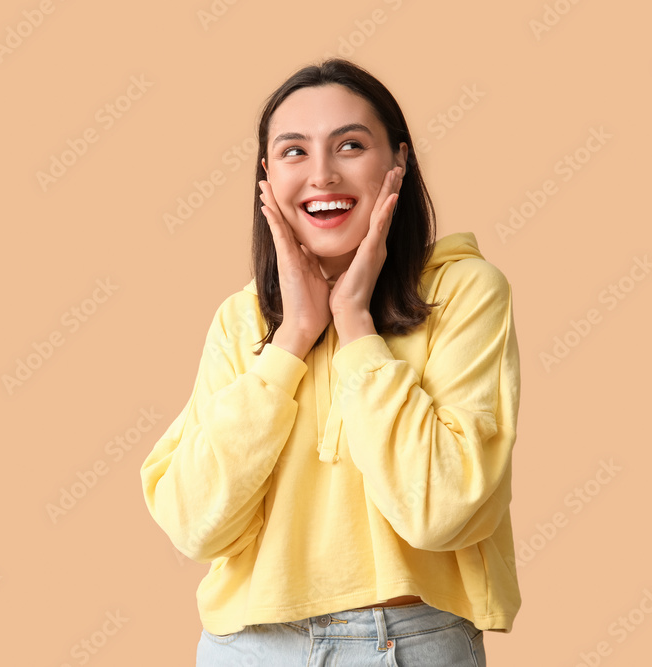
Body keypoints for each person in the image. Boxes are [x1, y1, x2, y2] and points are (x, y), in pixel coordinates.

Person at [139, 58, 520, 666]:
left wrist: (356, 326)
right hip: (246, 648)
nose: (322, 174)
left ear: (398, 162)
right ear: (266, 179)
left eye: (350, 145)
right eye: (294, 152)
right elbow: (194, 523)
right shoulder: (242, 321)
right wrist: (292, 338)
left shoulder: (463, 292)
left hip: (403, 642)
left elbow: (441, 511)